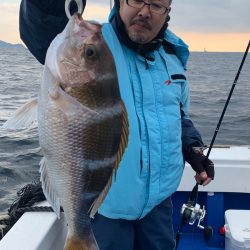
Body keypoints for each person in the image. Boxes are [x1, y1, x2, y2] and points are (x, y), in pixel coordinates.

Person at [19, 0, 215, 249]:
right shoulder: (97, 45)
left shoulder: (172, 56)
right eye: (137, 0)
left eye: (156, 5)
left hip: (158, 204)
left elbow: (177, 114)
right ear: (120, 2)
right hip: (106, 207)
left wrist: (192, 148)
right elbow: (41, 26)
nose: (145, 11)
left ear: (167, 12)